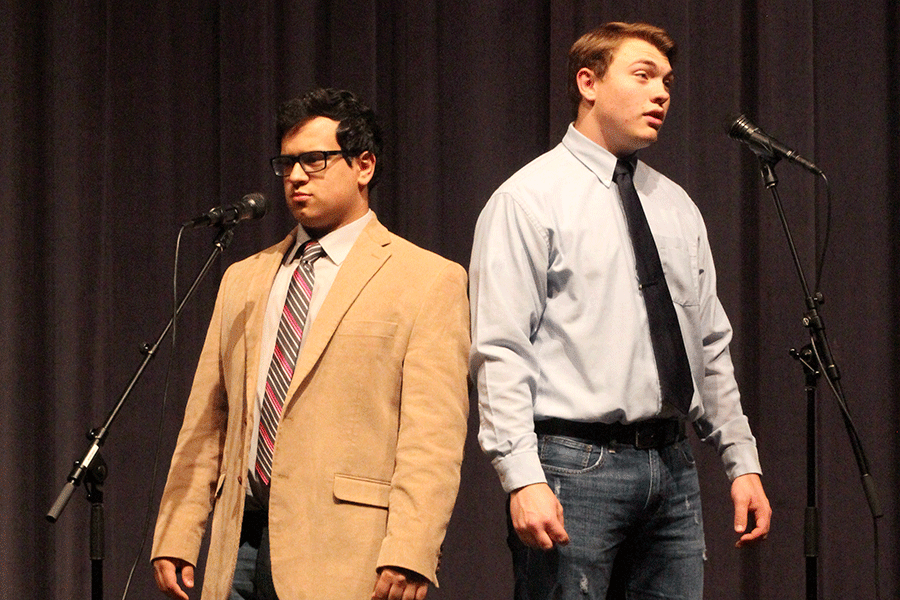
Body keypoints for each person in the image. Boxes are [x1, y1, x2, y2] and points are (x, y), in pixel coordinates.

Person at [469, 22, 772, 599]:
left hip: (673, 465)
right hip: (572, 466)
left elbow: (708, 344)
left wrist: (742, 461)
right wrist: (522, 477)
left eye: (667, 81)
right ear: (588, 82)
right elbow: (500, 350)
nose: (662, 93)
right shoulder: (528, 199)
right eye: (643, 76)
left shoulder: (675, 204)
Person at [151, 88, 469, 600]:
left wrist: (411, 548)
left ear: (363, 165)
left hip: (347, 550)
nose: (296, 176)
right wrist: (177, 531)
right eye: (287, 164)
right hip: (240, 544)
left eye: (315, 161)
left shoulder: (428, 279)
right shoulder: (243, 278)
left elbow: (432, 437)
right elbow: (208, 417)